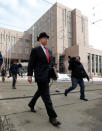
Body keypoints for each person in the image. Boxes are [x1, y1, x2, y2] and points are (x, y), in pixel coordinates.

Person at [27, 32, 61, 126]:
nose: (46, 39)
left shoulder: (49, 51)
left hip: (47, 76)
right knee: (46, 97)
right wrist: (30, 75)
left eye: (47, 38)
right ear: (40, 39)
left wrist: (53, 73)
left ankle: (31, 104)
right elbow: (31, 64)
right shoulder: (35, 50)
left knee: (40, 92)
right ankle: (52, 117)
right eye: (44, 38)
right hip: (40, 76)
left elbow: (50, 64)